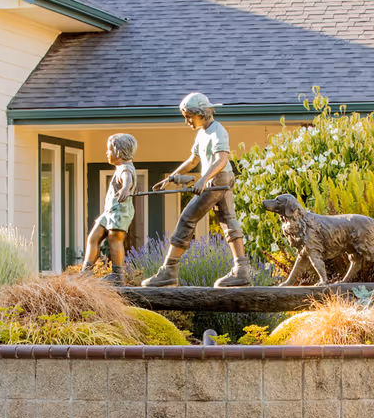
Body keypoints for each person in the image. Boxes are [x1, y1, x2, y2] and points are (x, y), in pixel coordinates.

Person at [142, 92, 254, 287]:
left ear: (201, 113)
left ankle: (169, 270)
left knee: (187, 218)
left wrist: (204, 180)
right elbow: (193, 160)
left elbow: (222, 159)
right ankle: (241, 270)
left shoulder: (218, 131)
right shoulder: (202, 133)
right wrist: (171, 177)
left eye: (189, 117)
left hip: (218, 179)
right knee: (228, 221)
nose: (187, 121)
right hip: (218, 178)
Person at [81, 133, 138, 285]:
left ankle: (118, 275)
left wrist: (125, 188)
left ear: (118, 152)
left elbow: (127, 179)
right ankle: (85, 273)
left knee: (115, 239)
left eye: (109, 150)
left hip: (120, 212)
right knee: (93, 237)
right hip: (110, 212)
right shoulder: (121, 168)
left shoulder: (125, 168)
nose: (107, 153)